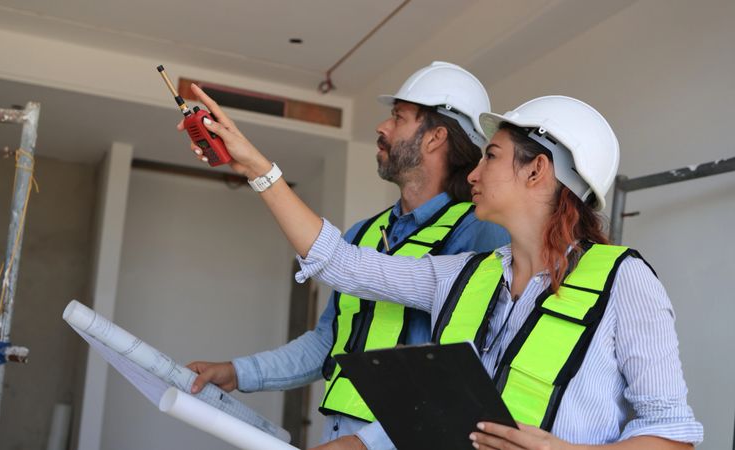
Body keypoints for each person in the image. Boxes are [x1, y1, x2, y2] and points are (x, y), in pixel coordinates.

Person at [188, 89, 704, 449]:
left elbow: (672, 432)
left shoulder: (623, 281)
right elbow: (341, 264)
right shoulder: (464, 274)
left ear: (536, 170)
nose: (473, 172)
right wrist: (259, 169)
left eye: (492, 157)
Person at [185, 62, 509, 449]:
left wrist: (367, 443)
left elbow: (470, 373)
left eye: (398, 117)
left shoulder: (478, 233)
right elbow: (329, 341)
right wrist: (238, 372)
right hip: (341, 435)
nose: (382, 128)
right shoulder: (364, 233)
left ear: (435, 137)